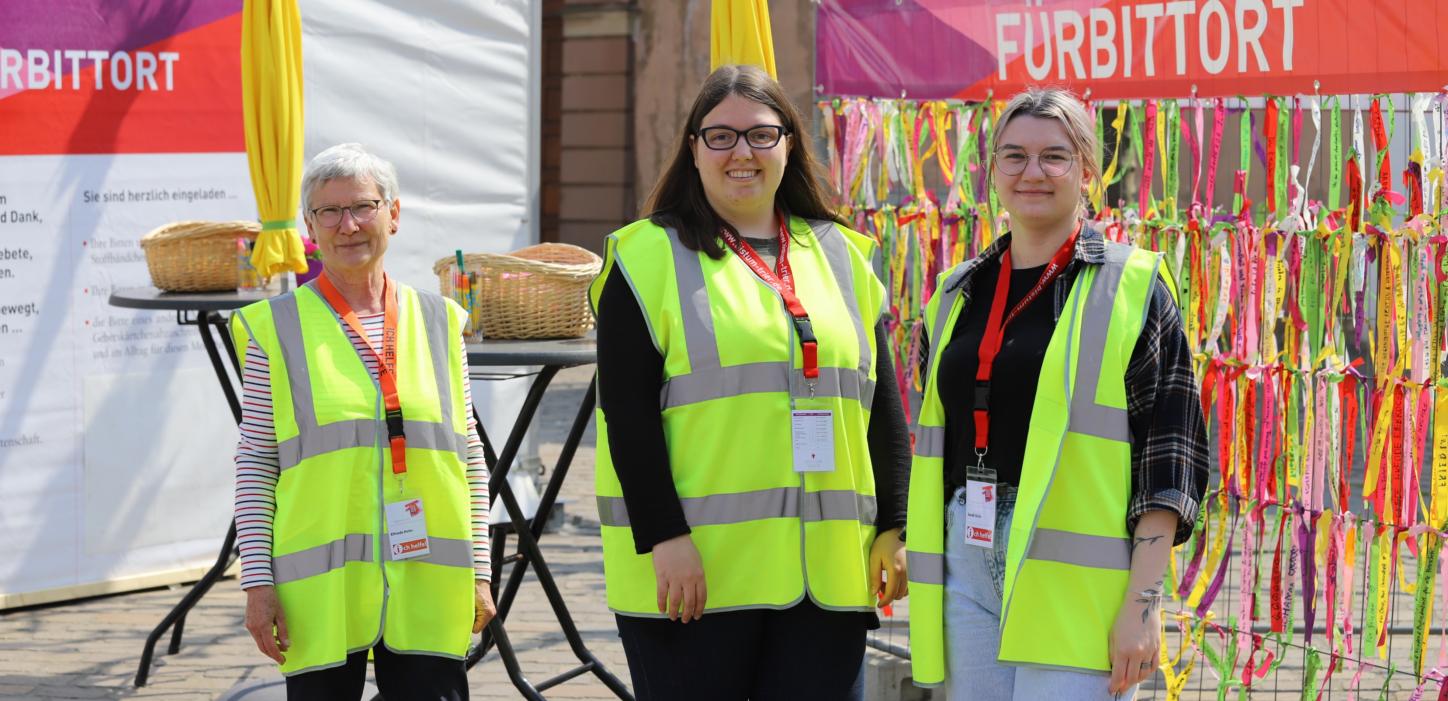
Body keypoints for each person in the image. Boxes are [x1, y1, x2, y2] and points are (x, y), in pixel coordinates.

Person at [590, 64, 911, 700]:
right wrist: (665, 537)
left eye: (762, 135)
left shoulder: (845, 254)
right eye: (721, 136)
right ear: (693, 148)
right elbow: (625, 417)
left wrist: (895, 526)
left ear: (790, 143)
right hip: (694, 577)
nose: (742, 153)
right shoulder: (644, 256)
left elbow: (883, 407)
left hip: (827, 579)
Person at [904, 88, 1209, 700]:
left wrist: (1143, 605)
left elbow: (1169, 460)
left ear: (1089, 173)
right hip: (968, 557)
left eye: (1055, 156)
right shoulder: (954, 293)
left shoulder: (1133, 286)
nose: (1032, 172)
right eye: (1013, 156)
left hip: (1077, 586)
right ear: (992, 172)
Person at [231, 143, 495, 700]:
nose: (347, 225)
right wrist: (257, 582)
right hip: (320, 592)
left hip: (428, 579)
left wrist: (481, 569)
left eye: (363, 207)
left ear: (393, 215)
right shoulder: (274, 329)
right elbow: (256, 464)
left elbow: (468, 454)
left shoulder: (442, 321)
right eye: (329, 212)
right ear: (310, 225)